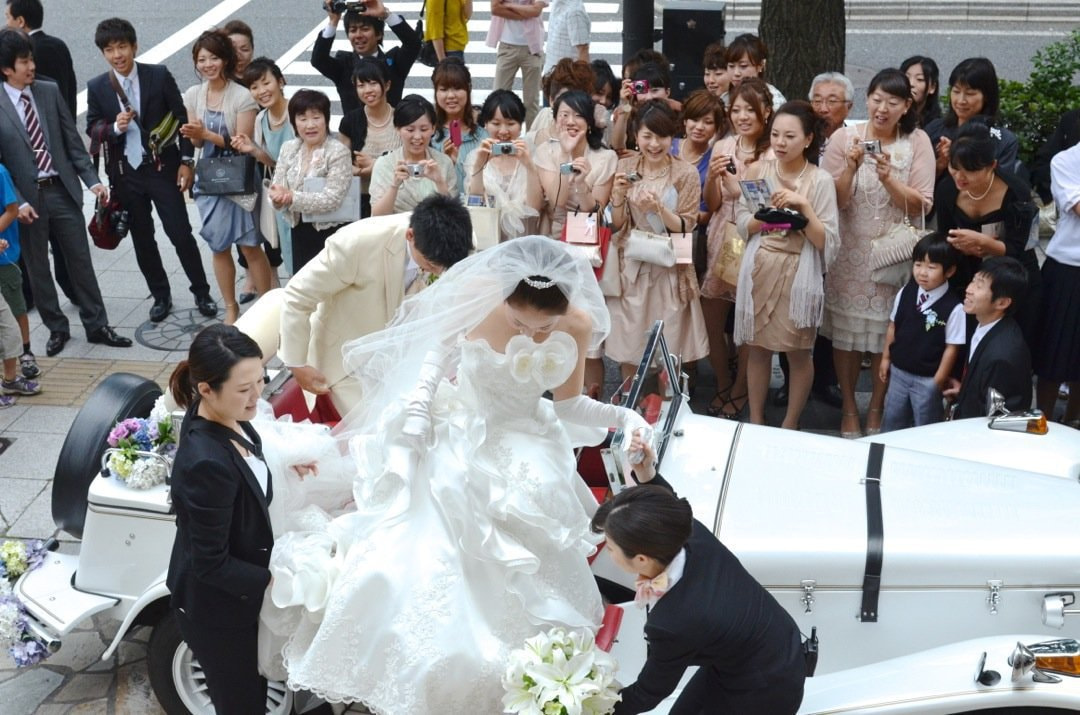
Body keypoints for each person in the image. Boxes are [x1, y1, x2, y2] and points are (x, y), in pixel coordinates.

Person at [264, 236, 652, 713]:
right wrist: (419, 407)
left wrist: (628, 420)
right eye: (518, 323)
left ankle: (532, 675)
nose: (530, 336)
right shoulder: (478, 296)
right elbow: (435, 354)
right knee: (416, 557)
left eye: (542, 328)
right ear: (505, 294)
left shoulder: (577, 324)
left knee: (538, 517)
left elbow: (571, 407)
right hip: (462, 430)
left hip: (527, 438)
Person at [591, 437, 806, 715]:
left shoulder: (673, 622)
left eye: (610, 548)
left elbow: (649, 691)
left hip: (764, 688)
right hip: (758, 645)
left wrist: (592, 709)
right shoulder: (690, 533)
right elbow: (668, 507)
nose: (607, 553)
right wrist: (646, 474)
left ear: (642, 559)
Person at [0, 29, 132, 357]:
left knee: (80, 260)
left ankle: (97, 324)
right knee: (38, 268)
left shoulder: (48, 90)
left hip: (61, 189)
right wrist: (18, 200)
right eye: (24, 61)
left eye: (31, 58)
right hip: (26, 201)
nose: (31, 66)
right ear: (6, 69)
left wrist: (93, 180)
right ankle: (57, 328)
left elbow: (71, 140)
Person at [280, 194, 473, 415]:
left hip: (404, 356)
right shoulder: (357, 243)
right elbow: (297, 295)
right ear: (410, 236)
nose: (438, 273)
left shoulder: (459, 241)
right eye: (430, 265)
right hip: (347, 362)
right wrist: (296, 364)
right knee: (383, 427)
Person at [821, 69, 935, 438]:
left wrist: (889, 178)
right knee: (847, 338)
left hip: (893, 257)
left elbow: (924, 205)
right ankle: (850, 408)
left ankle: (877, 409)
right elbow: (832, 201)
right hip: (849, 253)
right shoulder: (844, 137)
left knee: (887, 336)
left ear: (906, 107)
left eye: (893, 102)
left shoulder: (917, 142)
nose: (882, 108)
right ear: (867, 99)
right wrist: (850, 170)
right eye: (877, 99)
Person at [166, 324, 272, 713]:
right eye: (244, 390)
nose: (256, 396)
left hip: (236, 592)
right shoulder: (205, 464)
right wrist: (273, 581)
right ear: (206, 389)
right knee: (241, 704)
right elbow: (210, 562)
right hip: (217, 610)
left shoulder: (227, 414)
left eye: (261, 381)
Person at [86, 18, 217, 324]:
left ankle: (201, 291)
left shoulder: (157, 75)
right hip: (124, 173)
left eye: (122, 47)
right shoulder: (97, 86)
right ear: (103, 53)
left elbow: (180, 116)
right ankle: (160, 295)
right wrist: (113, 127)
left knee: (180, 233)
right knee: (143, 238)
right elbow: (92, 126)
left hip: (162, 168)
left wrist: (186, 161)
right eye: (110, 49)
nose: (117, 54)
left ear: (134, 46)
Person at [734, 101, 840, 429]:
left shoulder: (820, 181)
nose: (780, 142)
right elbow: (740, 221)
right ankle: (755, 416)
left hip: (798, 272)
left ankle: (791, 422)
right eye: (776, 134)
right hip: (761, 266)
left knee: (798, 350)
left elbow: (827, 240)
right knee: (758, 348)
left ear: (808, 140)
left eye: (790, 136)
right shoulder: (757, 171)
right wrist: (763, 218)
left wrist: (802, 206)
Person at [608, 100, 708, 382]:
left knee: (671, 344)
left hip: (670, 267)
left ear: (672, 137)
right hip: (633, 265)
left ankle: (669, 405)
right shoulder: (625, 166)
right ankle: (630, 405)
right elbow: (617, 225)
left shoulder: (685, 172)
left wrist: (659, 209)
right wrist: (616, 197)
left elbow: (687, 225)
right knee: (630, 343)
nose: (654, 144)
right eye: (647, 136)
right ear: (635, 135)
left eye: (662, 136)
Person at [181, 29, 271, 326]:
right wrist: (195, 136)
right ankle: (231, 307)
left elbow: (240, 142)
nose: (207, 64)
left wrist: (205, 133)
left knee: (249, 244)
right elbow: (196, 145)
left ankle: (267, 303)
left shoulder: (242, 95)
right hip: (208, 178)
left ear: (225, 60)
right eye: (201, 59)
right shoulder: (193, 95)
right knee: (218, 246)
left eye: (214, 58)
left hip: (240, 178)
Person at [934, 120, 1042, 348]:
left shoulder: (1016, 192)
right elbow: (947, 237)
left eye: (971, 170)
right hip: (968, 278)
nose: (960, 177)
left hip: (1011, 279)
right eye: (955, 167)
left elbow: (1024, 247)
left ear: (992, 165)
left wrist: (987, 245)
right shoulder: (946, 190)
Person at [701, 79, 773, 419]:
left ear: (766, 112)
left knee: (748, 324)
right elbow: (712, 203)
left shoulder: (772, 152)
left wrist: (738, 188)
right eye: (736, 110)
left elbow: (767, 208)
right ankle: (723, 382)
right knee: (711, 318)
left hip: (754, 240)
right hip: (721, 238)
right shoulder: (723, 146)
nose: (743, 116)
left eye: (750, 110)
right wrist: (713, 180)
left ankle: (742, 390)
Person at [879, 233, 965, 432]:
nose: (922, 273)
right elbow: (893, 325)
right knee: (892, 420)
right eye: (918, 264)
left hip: (928, 378)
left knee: (925, 426)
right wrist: (885, 358)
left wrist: (938, 381)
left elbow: (952, 348)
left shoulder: (954, 307)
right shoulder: (906, 292)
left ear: (949, 271)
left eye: (932, 267)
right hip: (899, 371)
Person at [267, 90, 353, 274]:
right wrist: (276, 198)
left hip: (331, 232)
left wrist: (291, 197)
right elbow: (277, 185)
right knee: (303, 287)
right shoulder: (289, 148)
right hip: (299, 231)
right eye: (302, 118)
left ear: (326, 119)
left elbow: (333, 198)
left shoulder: (338, 152)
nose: (310, 125)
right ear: (294, 122)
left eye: (316, 117)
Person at [944, 256, 1032, 419]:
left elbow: (995, 417)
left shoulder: (1002, 357)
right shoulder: (985, 323)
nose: (969, 289)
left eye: (979, 286)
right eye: (973, 281)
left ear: (1002, 303)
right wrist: (966, 390)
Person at [232, 57, 298, 273]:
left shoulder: (298, 111)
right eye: (254, 86)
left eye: (266, 83)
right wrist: (252, 149)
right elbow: (272, 162)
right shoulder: (261, 119)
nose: (261, 91)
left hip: (304, 193)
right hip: (281, 198)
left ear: (281, 82)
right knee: (289, 254)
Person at [1035, 141, 1080, 426]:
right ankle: (1042, 423)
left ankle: (1073, 424)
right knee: (1051, 358)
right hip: (1067, 269)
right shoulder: (1065, 160)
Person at [534, 90, 616, 238]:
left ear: (589, 122)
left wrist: (581, 186)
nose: (571, 121)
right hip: (552, 235)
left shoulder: (606, 158)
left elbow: (595, 212)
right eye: (564, 115)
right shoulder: (545, 152)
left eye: (578, 115)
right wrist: (565, 155)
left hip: (587, 237)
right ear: (555, 120)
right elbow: (557, 201)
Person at [313, 0, 419, 111]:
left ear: (379, 34)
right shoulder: (344, 65)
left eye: (365, 29)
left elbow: (413, 44)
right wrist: (333, 21)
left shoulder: (394, 63)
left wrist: (385, 15)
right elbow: (318, 60)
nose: (358, 35)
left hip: (390, 126)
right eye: (353, 30)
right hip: (353, 128)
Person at [464, 89, 542, 239]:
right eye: (496, 123)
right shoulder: (476, 156)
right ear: (485, 124)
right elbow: (476, 204)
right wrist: (480, 165)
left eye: (510, 123)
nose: (503, 131)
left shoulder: (533, 153)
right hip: (488, 241)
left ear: (520, 126)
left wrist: (529, 166)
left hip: (525, 240)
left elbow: (534, 208)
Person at [925, 57, 1020, 179]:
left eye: (970, 94)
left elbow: (1001, 187)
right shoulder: (935, 129)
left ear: (986, 96)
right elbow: (916, 182)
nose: (961, 100)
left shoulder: (1003, 140)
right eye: (956, 91)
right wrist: (941, 163)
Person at [370, 94, 458, 215]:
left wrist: (439, 182)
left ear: (433, 128)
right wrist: (394, 186)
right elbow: (377, 216)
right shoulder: (384, 164)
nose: (417, 137)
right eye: (410, 130)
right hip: (396, 231)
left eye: (424, 129)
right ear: (397, 129)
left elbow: (453, 215)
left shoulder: (443, 162)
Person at [335, 58, 401, 219]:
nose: (367, 90)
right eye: (361, 85)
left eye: (373, 83)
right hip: (361, 203)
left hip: (398, 200)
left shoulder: (403, 119)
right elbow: (339, 164)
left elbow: (413, 158)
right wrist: (358, 171)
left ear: (387, 85)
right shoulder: (350, 121)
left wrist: (375, 166)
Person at [0, 162, 40, 404]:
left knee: (15, 312)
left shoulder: (1, 173)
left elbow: (12, 210)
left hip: (5, 259)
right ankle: (10, 378)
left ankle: (24, 355)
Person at [4, 0, 74, 116]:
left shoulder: (22, 52)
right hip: (64, 117)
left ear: (21, 21)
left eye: (8, 18)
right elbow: (71, 87)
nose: (7, 24)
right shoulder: (59, 45)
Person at [487, 0, 546, 128]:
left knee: (532, 102)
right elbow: (495, 8)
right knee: (498, 97)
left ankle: (532, 141)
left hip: (532, 47)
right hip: (507, 46)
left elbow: (536, 11)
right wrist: (525, 12)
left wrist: (509, 5)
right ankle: (498, 137)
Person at [430, 58, 487, 189]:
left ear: (469, 89)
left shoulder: (484, 137)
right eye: (443, 89)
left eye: (457, 88)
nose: (451, 95)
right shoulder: (428, 135)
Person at [528, 57, 596, 146]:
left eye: (576, 102)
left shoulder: (596, 125)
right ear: (551, 100)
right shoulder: (543, 116)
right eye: (563, 100)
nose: (569, 107)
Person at [611, 62, 675, 154]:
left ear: (667, 92)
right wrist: (625, 104)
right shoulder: (629, 113)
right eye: (642, 91)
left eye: (655, 90)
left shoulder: (677, 115)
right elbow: (617, 146)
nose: (649, 97)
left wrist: (640, 156)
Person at [722, 34, 786, 111]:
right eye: (731, 66)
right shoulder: (724, 99)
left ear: (761, 65)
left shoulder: (775, 100)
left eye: (743, 66)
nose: (736, 73)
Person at [542, 0, 589, 76]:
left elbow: (583, 50)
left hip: (568, 78)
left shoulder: (575, 12)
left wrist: (582, 83)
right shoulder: (557, 3)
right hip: (552, 75)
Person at [809, 71, 854, 144]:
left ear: (848, 107)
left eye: (832, 101)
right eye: (817, 101)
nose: (823, 109)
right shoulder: (802, 143)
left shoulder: (857, 141)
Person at [900, 55, 941, 128]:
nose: (911, 83)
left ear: (932, 87)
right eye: (906, 77)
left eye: (920, 79)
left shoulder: (936, 127)